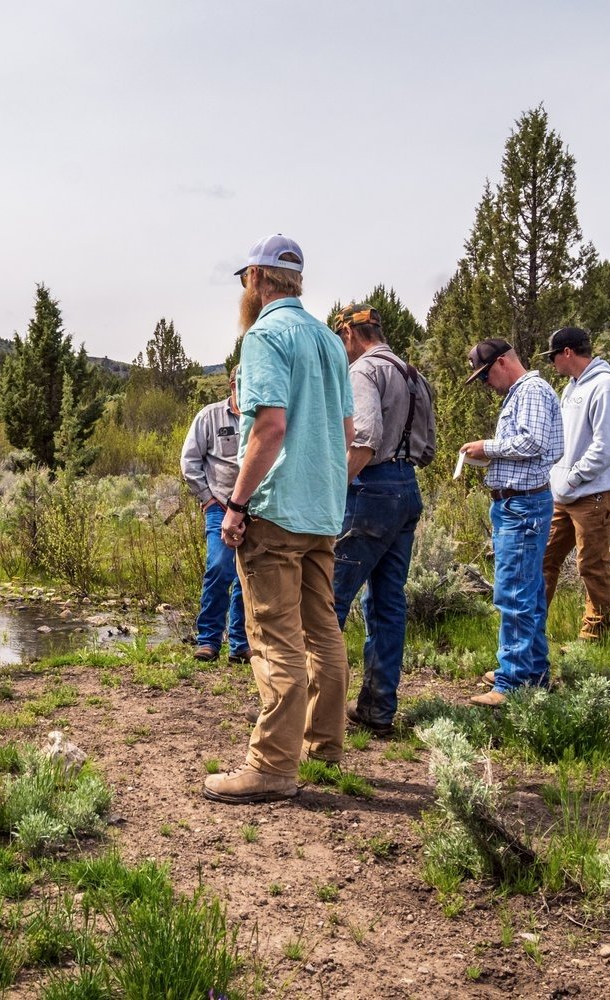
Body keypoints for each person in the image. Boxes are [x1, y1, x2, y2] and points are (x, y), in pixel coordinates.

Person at [203, 234, 354, 805]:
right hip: (321, 511)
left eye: (247, 279)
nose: (246, 289)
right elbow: (343, 434)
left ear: (261, 280)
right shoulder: (328, 341)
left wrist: (237, 505)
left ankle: (270, 766)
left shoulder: (264, 334)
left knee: (273, 636)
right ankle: (324, 745)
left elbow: (268, 429)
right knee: (323, 630)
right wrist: (326, 494)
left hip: (274, 510)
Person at [328, 305, 437, 737]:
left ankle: (309, 712)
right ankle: (377, 709)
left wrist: (336, 487)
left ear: (351, 335)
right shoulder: (413, 374)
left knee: (327, 601)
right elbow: (427, 449)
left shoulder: (363, 372)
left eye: (342, 339)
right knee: (388, 604)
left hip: (369, 488)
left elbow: (365, 440)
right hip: (407, 488)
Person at [459, 339, 563, 707]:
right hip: (519, 505)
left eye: (486, 374)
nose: (486, 383)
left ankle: (514, 681)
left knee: (515, 593)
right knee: (528, 592)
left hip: (522, 506)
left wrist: (488, 448)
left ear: (503, 362)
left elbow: (533, 442)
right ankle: (530, 669)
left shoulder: (531, 390)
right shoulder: (524, 392)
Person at [540, 327, 610, 641]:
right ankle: (532, 631)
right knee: (544, 559)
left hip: (593, 494)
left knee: (592, 565)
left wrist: (574, 476)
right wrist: (558, 480)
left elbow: (608, 445)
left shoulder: (604, 386)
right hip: (563, 494)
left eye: (553, 357)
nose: (552, 364)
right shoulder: (571, 388)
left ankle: (594, 637)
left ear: (567, 353)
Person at [180, 371, 251, 665]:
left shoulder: (263, 417)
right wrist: (207, 498)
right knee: (220, 568)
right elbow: (189, 461)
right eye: (246, 384)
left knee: (249, 576)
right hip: (220, 506)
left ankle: (240, 644)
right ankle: (208, 639)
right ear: (233, 385)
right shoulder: (210, 417)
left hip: (255, 509)